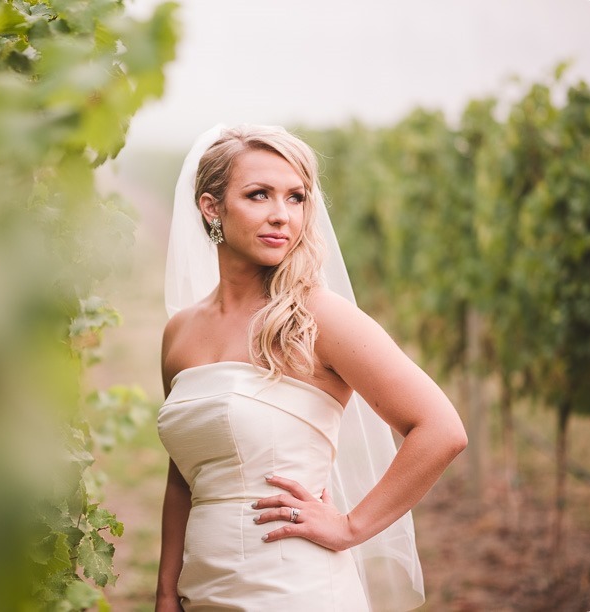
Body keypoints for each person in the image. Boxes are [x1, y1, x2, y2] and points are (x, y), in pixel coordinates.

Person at [156, 124, 468, 611]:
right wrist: (165, 592)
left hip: (294, 589)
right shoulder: (179, 333)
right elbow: (183, 475)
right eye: (259, 195)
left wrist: (350, 526)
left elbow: (441, 429)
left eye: (296, 198)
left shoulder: (316, 317)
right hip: (203, 587)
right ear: (211, 207)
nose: (282, 215)